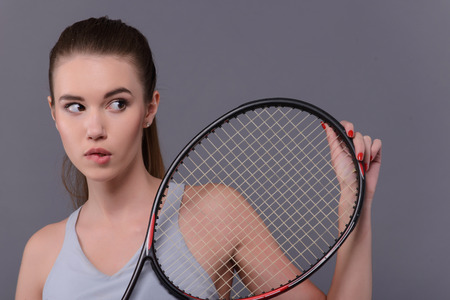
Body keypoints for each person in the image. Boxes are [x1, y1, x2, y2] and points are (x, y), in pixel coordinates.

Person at [15, 17, 382, 300]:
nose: (94, 128)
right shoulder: (42, 254)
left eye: (117, 104)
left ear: (149, 108)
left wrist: (356, 209)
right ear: (54, 113)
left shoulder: (216, 215)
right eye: (75, 106)